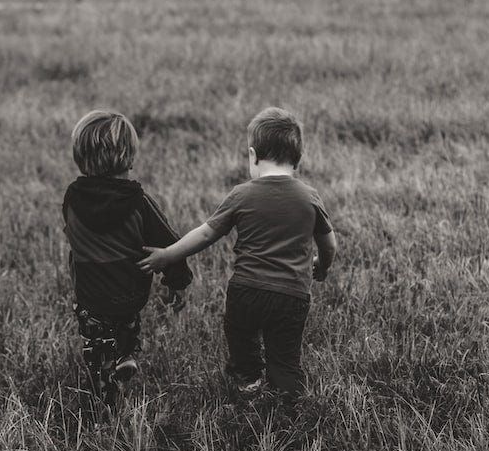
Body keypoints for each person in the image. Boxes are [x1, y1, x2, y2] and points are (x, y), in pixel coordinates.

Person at [139, 107, 336, 402]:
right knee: (284, 356)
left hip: (246, 291)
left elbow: (205, 233)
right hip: (291, 296)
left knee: (242, 340)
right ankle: (288, 395)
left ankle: (248, 381)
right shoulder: (309, 196)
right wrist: (321, 266)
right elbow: (329, 243)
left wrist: (167, 254)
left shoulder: (241, 194)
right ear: (298, 159)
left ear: (253, 155)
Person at [63, 110, 192, 406]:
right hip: (130, 292)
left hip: (90, 295)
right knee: (126, 323)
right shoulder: (138, 202)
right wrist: (177, 281)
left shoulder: (72, 197)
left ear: (80, 157)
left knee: (97, 344)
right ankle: (125, 354)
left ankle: (105, 389)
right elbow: (169, 243)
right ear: (129, 157)